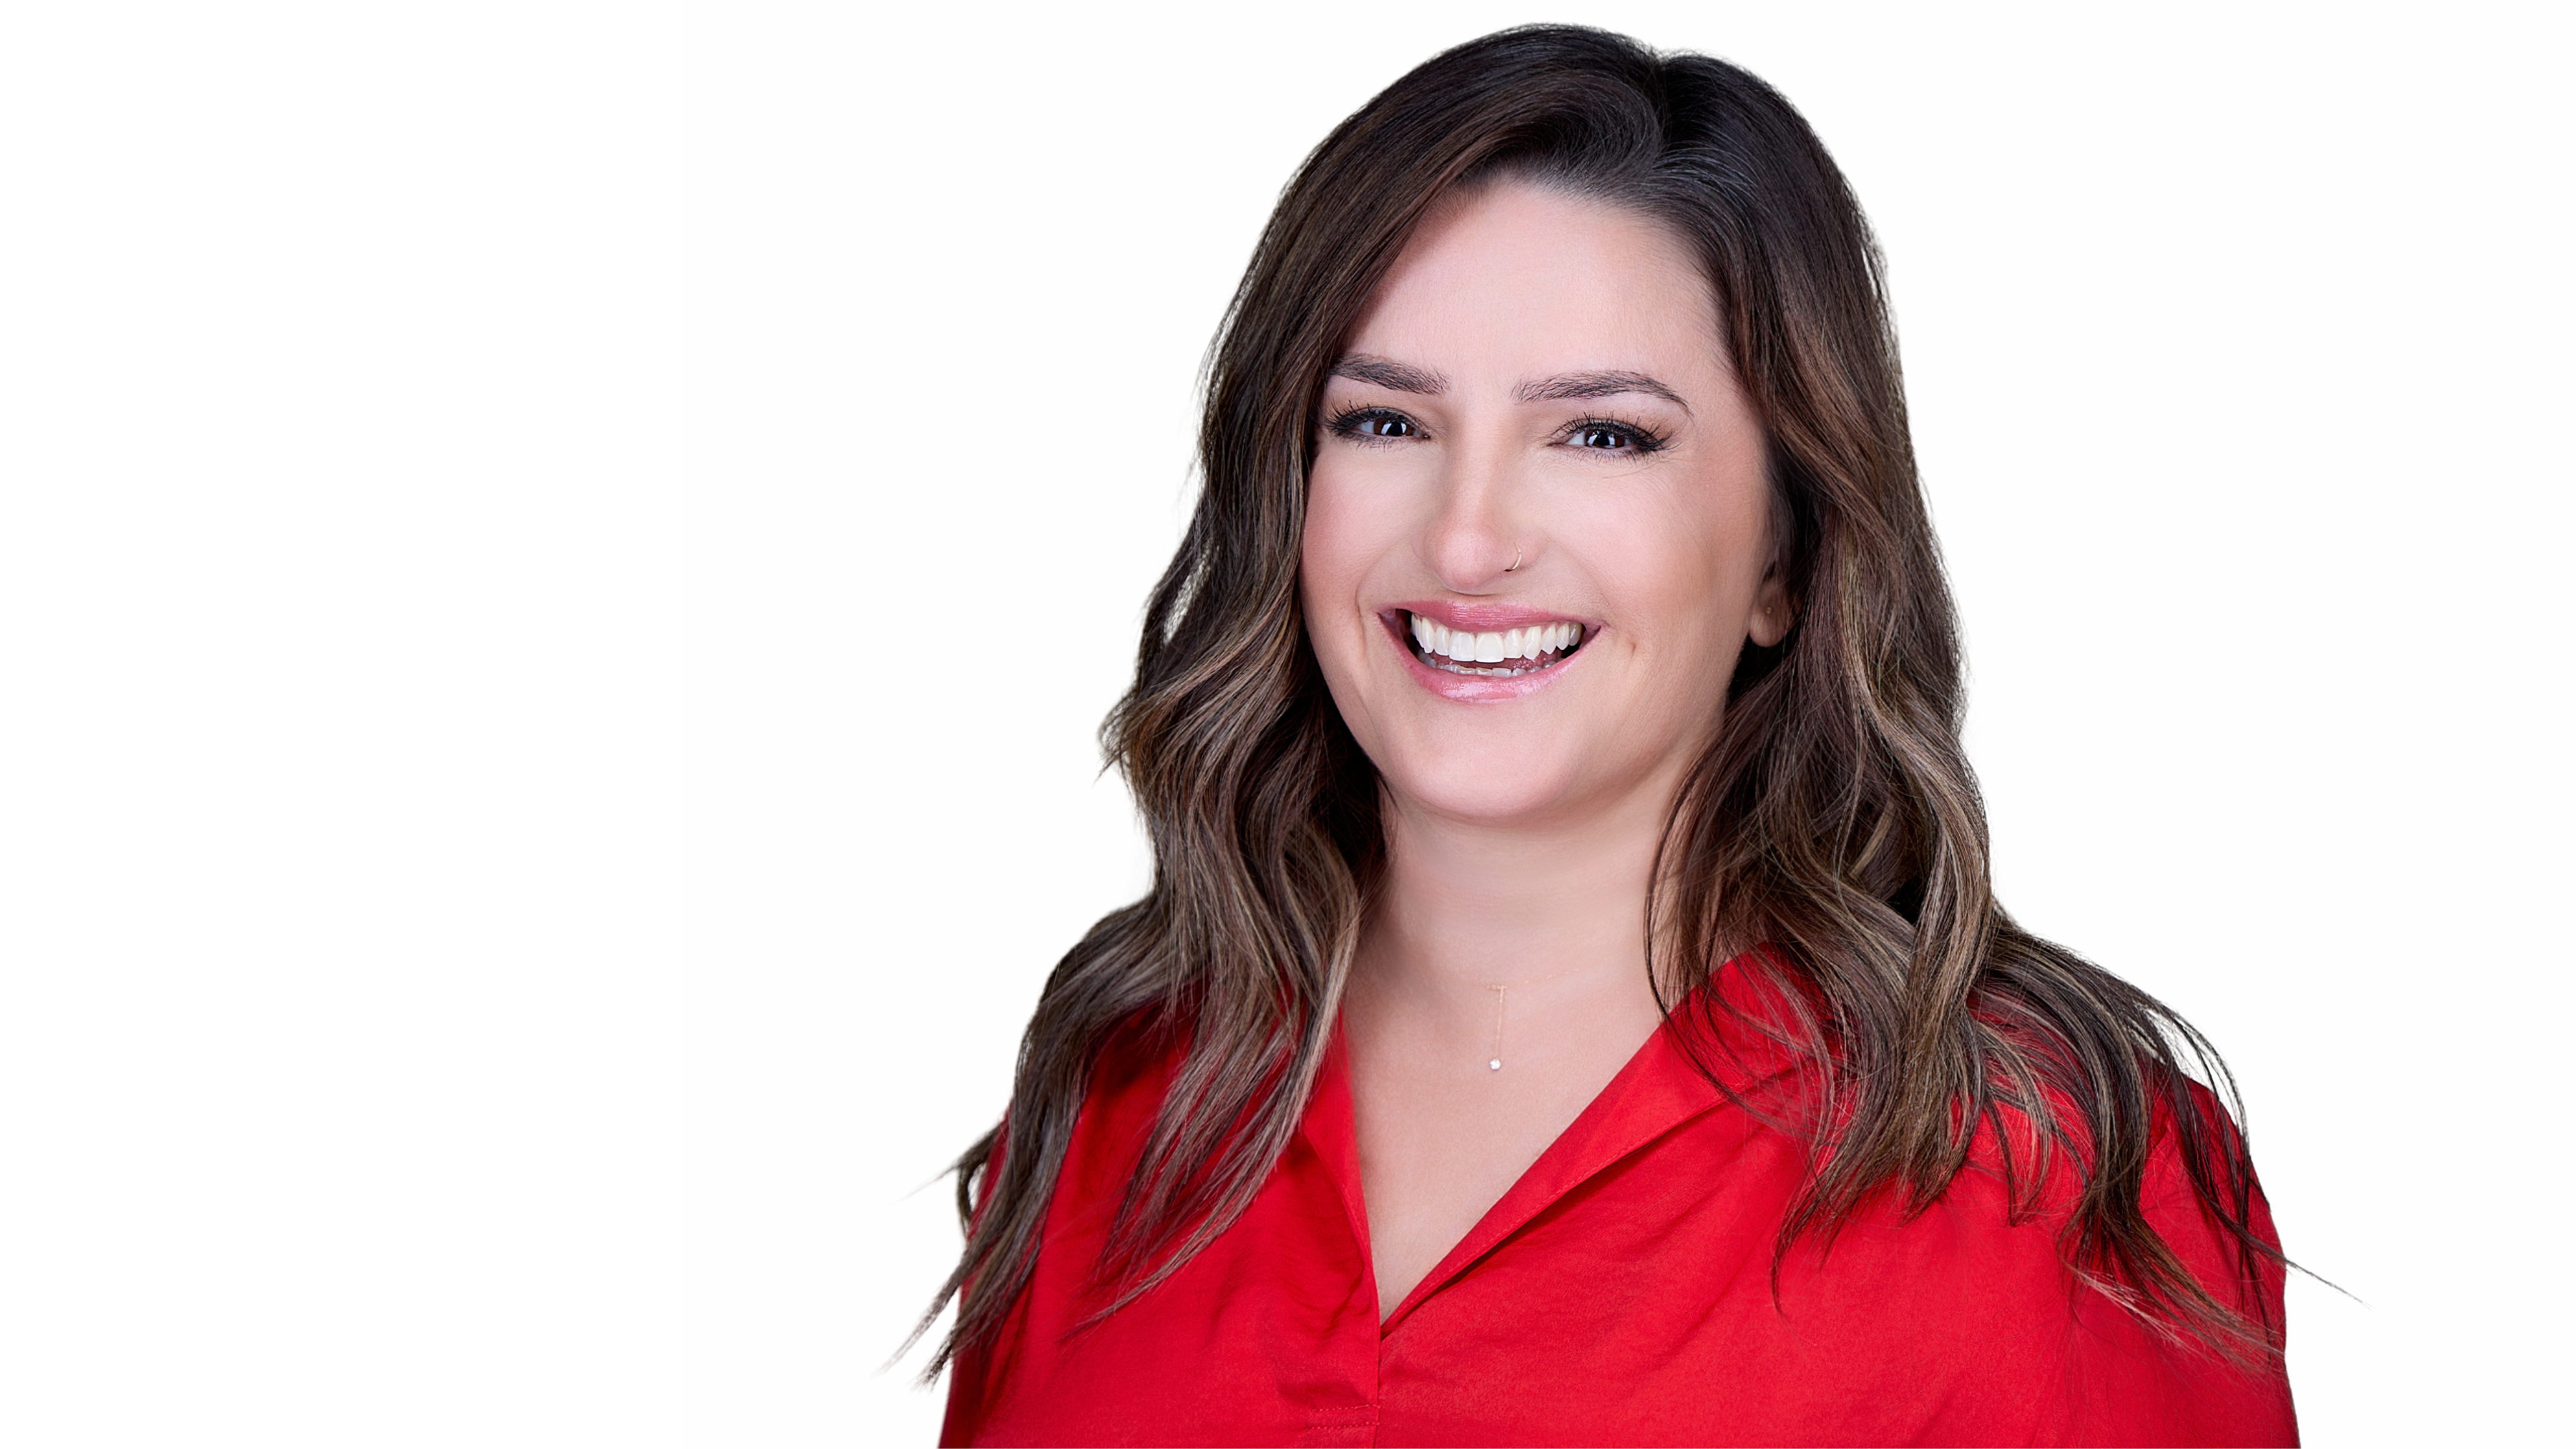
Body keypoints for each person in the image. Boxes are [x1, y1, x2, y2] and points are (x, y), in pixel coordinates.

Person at [922, 24, 2296, 1447]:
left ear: (1786, 555)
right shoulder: (1118, 1102)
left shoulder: (2041, 1182)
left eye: (1602, 436)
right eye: (1386, 422)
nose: (1466, 537)